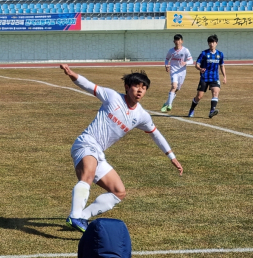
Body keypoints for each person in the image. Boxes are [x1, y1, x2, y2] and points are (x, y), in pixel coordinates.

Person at [60, 65, 183, 233]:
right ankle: (74, 216)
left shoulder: (141, 115)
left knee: (119, 192)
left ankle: (81, 217)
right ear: (127, 87)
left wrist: (172, 157)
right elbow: (89, 85)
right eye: (136, 86)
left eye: (144, 88)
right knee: (87, 175)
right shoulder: (112, 96)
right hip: (86, 143)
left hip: (99, 153)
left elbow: (156, 134)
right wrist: (71, 73)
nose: (140, 91)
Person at [188, 34, 227, 118]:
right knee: (199, 96)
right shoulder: (204, 53)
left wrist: (224, 76)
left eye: (213, 42)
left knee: (215, 92)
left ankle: (212, 111)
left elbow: (222, 65)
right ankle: (192, 109)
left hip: (215, 77)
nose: (211, 44)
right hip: (204, 77)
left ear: (216, 43)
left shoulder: (220, 54)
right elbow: (196, 64)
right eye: (210, 42)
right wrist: (200, 69)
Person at [160, 34, 193, 113]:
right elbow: (167, 59)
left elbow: (191, 61)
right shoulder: (171, 51)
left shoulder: (185, 50)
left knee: (176, 89)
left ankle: (166, 103)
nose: (177, 42)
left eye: (179, 40)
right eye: (176, 40)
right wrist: (166, 65)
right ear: (174, 41)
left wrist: (186, 62)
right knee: (174, 86)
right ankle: (170, 105)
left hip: (182, 72)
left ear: (182, 41)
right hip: (174, 71)